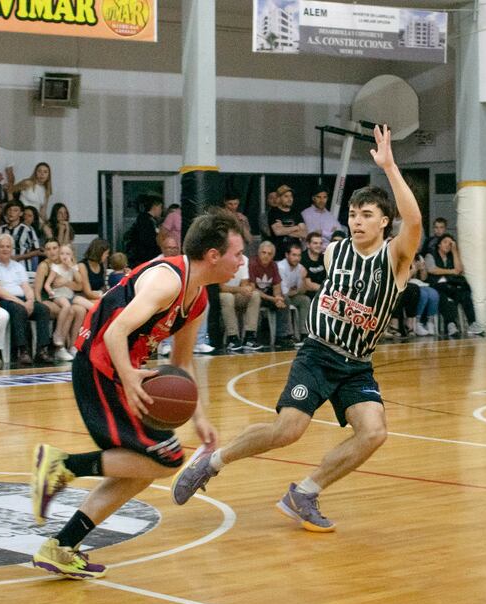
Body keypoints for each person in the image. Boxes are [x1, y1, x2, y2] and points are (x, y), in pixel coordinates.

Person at [171, 125, 422, 533]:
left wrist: (390, 167)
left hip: (357, 364)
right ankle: (212, 462)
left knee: (374, 432)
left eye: (367, 216)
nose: (357, 221)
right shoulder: (336, 249)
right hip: (318, 353)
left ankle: (304, 492)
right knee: (287, 430)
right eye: (354, 215)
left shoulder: (394, 259)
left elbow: (413, 220)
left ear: (384, 223)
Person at [27, 210, 246, 579]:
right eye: (237, 254)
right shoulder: (166, 281)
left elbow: (181, 364)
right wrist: (128, 378)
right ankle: (62, 466)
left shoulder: (198, 298)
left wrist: (201, 418)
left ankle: (61, 546)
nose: (242, 261)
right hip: (100, 365)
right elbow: (114, 332)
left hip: (123, 370)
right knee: (167, 459)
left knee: (144, 466)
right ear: (212, 255)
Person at [0, 233, 55, 365]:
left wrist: (29, 301)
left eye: (8, 246)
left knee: (43, 309)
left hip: (22, 300)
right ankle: (22, 351)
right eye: (2, 247)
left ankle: (42, 350)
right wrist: (21, 303)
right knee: (18, 309)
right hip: (3, 300)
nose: (5, 249)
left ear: (12, 249)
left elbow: (26, 287)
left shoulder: (17, 266)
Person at [124, 194, 164, 267]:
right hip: (145, 257)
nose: (161, 211)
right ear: (155, 206)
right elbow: (147, 240)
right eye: (160, 207)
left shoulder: (148, 220)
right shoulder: (146, 221)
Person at [268, 184, 307, 260]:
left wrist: (284, 229)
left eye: (291, 196)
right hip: (279, 256)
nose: (290, 199)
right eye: (286, 196)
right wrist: (296, 227)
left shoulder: (296, 213)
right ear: (279, 198)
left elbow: (304, 233)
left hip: (296, 255)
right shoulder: (273, 212)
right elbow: (278, 232)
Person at [300, 231, 327, 298]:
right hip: (308, 293)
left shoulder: (324, 258)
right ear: (308, 245)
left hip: (323, 291)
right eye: (315, 243)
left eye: (320, 243)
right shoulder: (302, 258)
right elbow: (308, 285)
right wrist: (327, 290)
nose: (319, 246)